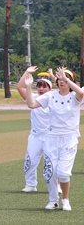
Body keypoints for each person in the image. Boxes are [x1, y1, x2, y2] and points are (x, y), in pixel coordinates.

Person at [24, 66, 83, 211]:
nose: (62, 81)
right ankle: (53, 200)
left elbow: (81, 92)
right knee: (50, 172)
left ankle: (65, 200)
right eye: (60, 79)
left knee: (63, 173)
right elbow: (31, 104)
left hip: (69, 138)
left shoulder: (75, 97)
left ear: (71, 81)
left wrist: (66, 78)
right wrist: (28, 87)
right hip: (51, 138)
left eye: (65, 79)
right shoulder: (50, 96)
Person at [16, 71, 53, 193]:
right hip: (36, 135)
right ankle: (30, 184)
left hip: (51, 136)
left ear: (50, 88)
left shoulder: (54, 99)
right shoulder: (34, 98)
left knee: (52, 163)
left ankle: (55, 186)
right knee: (30, 160)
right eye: (39, 86)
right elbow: (20, 87)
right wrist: (26, 73)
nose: (41, 89)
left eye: (44, 86)